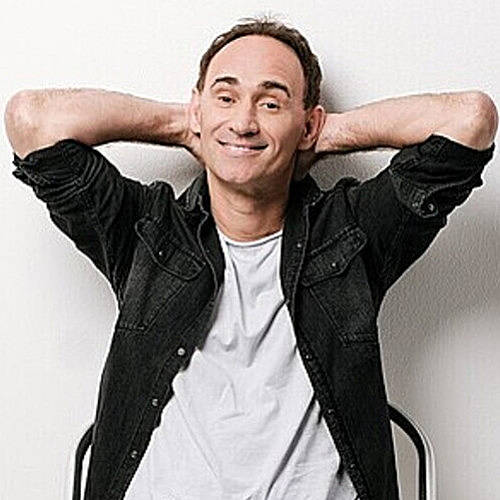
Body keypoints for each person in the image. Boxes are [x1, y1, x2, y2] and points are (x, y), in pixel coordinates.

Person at [4, 16, 497, 500]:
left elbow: (470, 119)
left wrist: (324, 134)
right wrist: (183, 123)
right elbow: (32, 119)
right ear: (198, 109)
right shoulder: (147, 231)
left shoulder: (351, 232)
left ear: (308, 122)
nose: (243, 122)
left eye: (271, 103)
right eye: (225, 97)